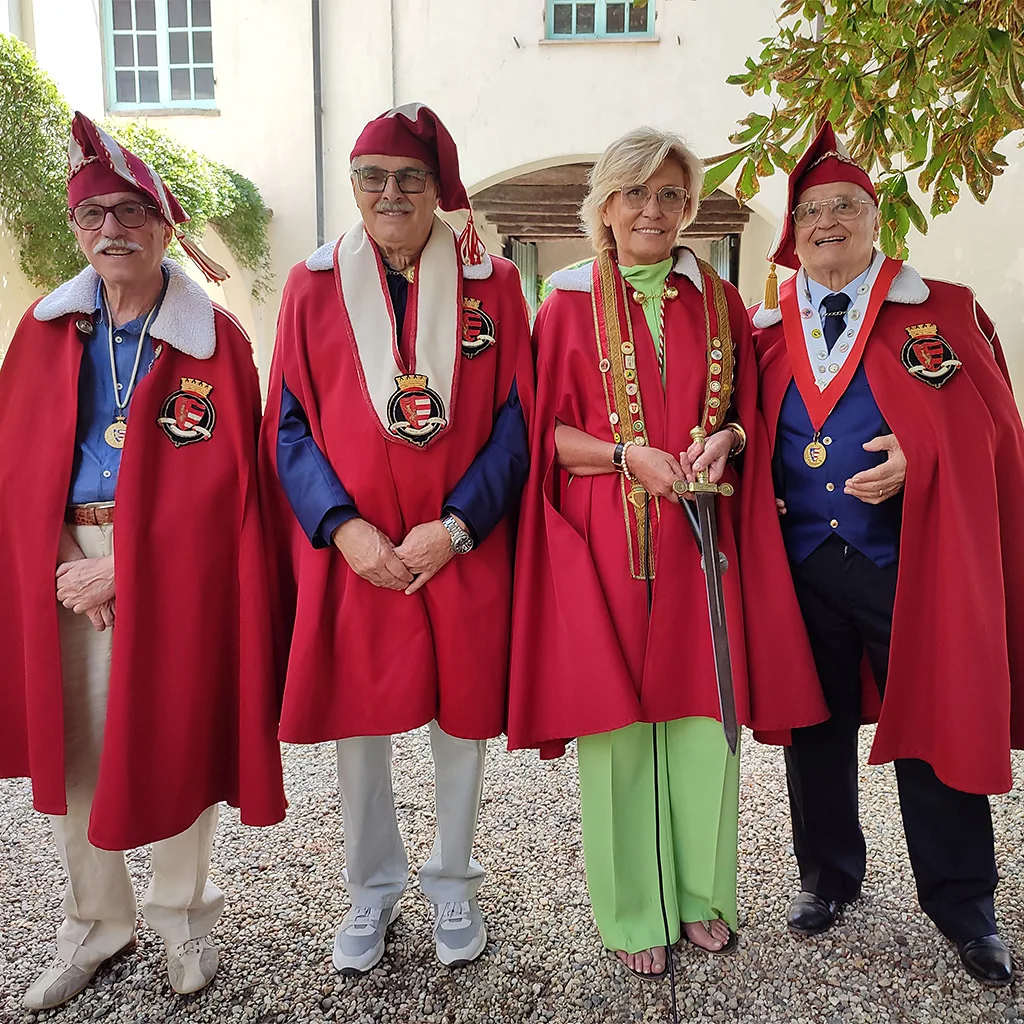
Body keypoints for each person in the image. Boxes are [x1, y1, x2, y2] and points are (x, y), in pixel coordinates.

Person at [507, 126, 826, 978]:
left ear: (690, 208)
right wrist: (626, 457)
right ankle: (630, 909)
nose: (654, 210)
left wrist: (723, 436)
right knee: (615, 732)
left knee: (699, 723)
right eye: (636, 194)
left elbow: (748, 413)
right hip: (606, 541)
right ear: (603, 206)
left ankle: (700, 897)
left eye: (672, 196)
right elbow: (548, 436)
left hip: (700, 545)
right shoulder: (566, 301)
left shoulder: (719, 301)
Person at [0, 112, 286, 1010]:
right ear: (76, 231)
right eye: (92, 217)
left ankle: (182, 919)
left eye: (128, 212)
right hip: (61, 564)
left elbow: (236, 488)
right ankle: (95, 924)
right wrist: (54, 561)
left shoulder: (215, 342)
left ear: (164, 226)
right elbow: (13, 459)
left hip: (172, 570)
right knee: (77, 750)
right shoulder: (45, 332)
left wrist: (131, 567)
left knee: (171, 741)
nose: (110, 231)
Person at [749, 121, 1024, 986]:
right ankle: (828, 877)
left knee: (934, 724)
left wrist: (924, 456)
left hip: (908, 566)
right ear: (793, 234)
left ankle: (962, 903)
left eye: (847, 207)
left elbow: (995, 425)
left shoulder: (938, 307)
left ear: (878, 221)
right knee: (814, 726)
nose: (828, 222)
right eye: (812, 211)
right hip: (801, 563)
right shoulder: (764, 324)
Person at [260, 103, 532, 975]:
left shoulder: (494, 284)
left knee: (461, 728)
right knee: (359, 727)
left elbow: (520, 419)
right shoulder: (311, 285)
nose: (390, 193)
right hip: (361, 553)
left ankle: (454, 881)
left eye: (409, 178)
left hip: (457, 545)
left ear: (436, 190)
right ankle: (371, 888)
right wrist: (342, 530)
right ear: (353, 186)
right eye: (372, 177)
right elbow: (289, 424)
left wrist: (457, 527)